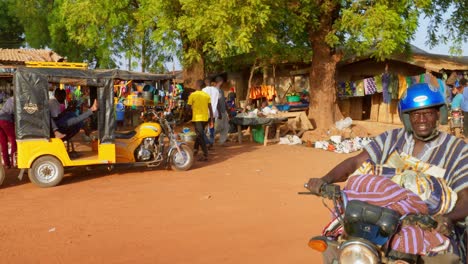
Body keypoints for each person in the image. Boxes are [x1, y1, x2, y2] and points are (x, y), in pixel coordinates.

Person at [306, 83, 467, 263]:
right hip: (379, 219)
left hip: (427, 223)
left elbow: (465, 196)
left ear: (439, 114)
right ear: (407, 117)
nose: (422, 119)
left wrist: (447, 219)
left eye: (428, 113)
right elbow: (356, 162)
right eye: (415, 114)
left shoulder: (457, 149)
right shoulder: (391, 138)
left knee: (444, 259)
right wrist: (324, 180)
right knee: (334, 247)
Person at [187, 79, 213, 161]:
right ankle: (195, 149)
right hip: (205, 119)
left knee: (200, 135)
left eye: (195, 83)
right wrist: (211, 119)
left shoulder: (193, 95)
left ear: (197, 85)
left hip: (197, 119)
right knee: (199, 134)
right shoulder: (206, 95)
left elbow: (188, 107)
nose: (194, 85)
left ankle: (205, 154)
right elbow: (210, 108)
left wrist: (188, 113)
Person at [202, 77, 219, 147]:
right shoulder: (216, 90)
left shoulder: (203, 90)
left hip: (205, 112)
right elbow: (218, 103)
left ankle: (207, 142)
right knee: (211, 127)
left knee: (202, 129)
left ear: (205, 83)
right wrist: (219, 112)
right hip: (214, 112)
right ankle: (211, 142)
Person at [0, 96, 16, 169]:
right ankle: (13, 162)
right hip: (6, 120)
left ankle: (7, 164)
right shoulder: (18, 100)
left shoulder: (10, 98)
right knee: (14, 140)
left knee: (3, 143)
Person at [214, 76, 230, 146]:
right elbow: (216, 102)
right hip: (218, 112)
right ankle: (209, 138)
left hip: (223, 111)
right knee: (218, 127)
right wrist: (219, 113)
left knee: (226, 127)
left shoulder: (221, 91)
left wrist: (227, 110)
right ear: (220, 82)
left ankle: (222, 141)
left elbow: (223, 101)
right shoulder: (215, 90)